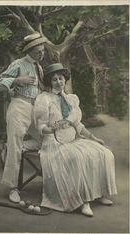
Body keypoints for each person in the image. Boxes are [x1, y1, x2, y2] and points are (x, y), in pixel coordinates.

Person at [34, 63, 117, 217]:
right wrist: (52, 129)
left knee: (104, 152)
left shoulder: (71, 99)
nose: (59, 82)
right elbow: (41, 127)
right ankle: (83, 201)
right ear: (49, 82)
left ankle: (100, 194)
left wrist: (93, 137)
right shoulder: (44, 99)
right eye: (54, 80)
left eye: (61, 78)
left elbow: (77, 125)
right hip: (54, 143)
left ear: (65, 79)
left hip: (73, 140)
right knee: (77, 157)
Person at [0, 32, 47, 203]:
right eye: (38, 51)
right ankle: (13, 188)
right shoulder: (18, 64)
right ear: (30, 50)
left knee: (44, 139)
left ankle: (10, 147)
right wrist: (17, 80)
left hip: (35, 107)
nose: (42, 54)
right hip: (19, 107)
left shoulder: (39, 67)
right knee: (15, 146)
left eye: (43, 51)